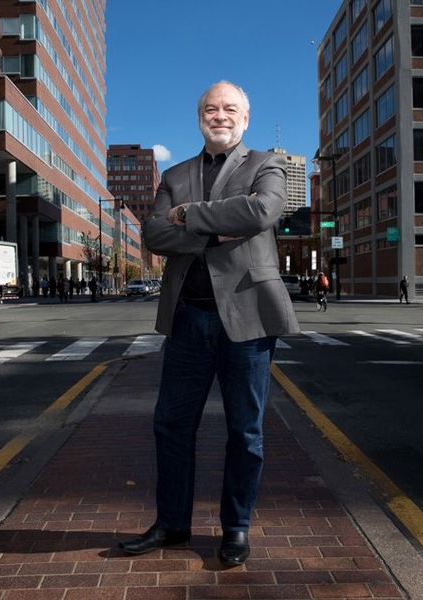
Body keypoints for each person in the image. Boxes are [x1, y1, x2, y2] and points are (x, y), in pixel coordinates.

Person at [119, 81, 300, 567]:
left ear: (246, 118)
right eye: (210, 108)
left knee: (245, 431)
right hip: (187, 319)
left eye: (229, 109)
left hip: (248, 318)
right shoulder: (175, 174)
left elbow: (263, 210)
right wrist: (218, 227)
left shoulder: (266, 163)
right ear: (199, 116)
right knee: (171, 426)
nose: (219, 115)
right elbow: (155, 234)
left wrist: (189, 217)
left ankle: (236, 527)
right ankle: (173, 523)